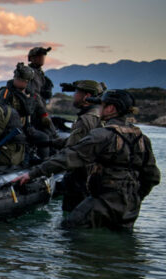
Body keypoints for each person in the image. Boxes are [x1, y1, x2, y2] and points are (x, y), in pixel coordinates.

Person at [13, 90, 160, 231]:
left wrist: (32, 174)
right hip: (131, 204)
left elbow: (67, 158)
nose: (99, 109)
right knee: (121, 241)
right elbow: (153, 176)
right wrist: (136, 197)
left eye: (102, 105)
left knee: (68, 230)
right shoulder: (142, 139)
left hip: (103, 200)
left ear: (111, 108)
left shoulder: (102, 135)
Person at [57, 80, 107, 212]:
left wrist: (41, 169)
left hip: (79, 180)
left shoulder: (86, 119)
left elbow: (71, 151)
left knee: (70, 225)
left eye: (77, 92)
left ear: (86, 96)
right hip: (91, 180)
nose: (74, 95)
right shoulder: (98, 116)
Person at [0, 63, 56, 160]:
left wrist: (44, 116)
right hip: (12, 129)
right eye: (18, 80)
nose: (20, 82)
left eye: (23, 81)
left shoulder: (31, 94)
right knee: (23, 142)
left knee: (44, 137)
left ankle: (44, 162)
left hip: (28, 128)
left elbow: (39, 106)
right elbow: (1, 110)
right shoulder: (6, 93)